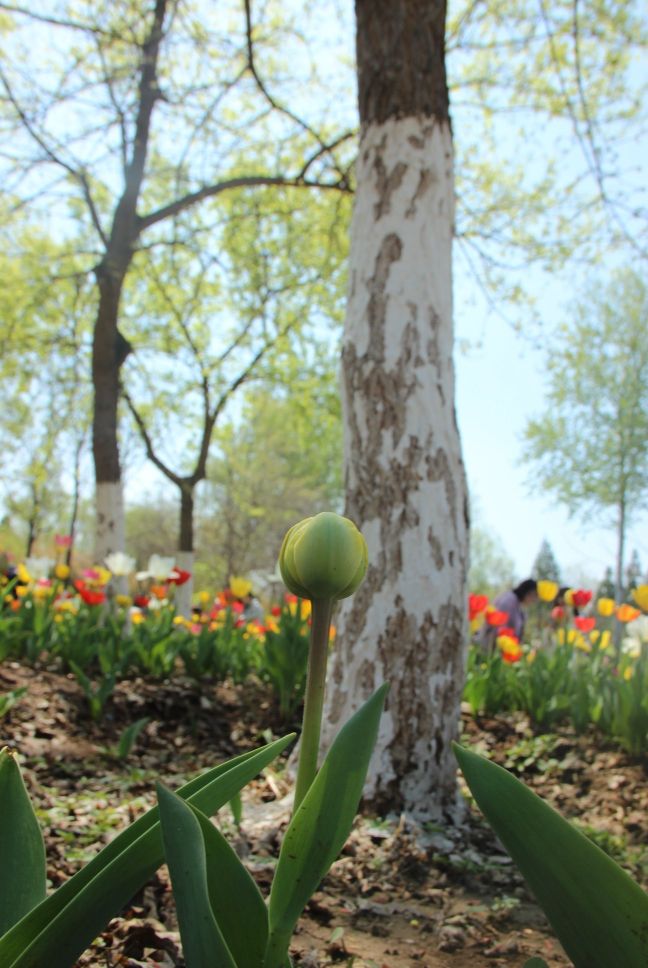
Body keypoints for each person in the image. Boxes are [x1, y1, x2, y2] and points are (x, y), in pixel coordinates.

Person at [480, 578, 538, 648]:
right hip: (490, 648)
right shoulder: (508, 601)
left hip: (499, 649)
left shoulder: (518, 605)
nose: (534, 600)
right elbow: (499, 629)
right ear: (528, 592)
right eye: (534, 596)